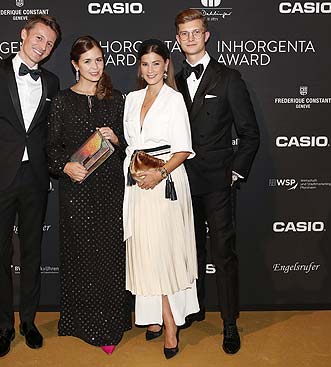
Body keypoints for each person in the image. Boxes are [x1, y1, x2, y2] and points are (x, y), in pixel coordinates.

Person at [0, 15, 61, 358]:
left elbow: (52, 135)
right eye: (38, 38)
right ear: (24, 35)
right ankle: (5, 326)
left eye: (49, 43)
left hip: (35, 180)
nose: (42, 47)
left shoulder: (51, 81)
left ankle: (29, 322)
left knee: (33, 254)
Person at [174, 9, 260, 354]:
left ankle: (229, 323)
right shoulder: (172, 81)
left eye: (196, 32)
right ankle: (195, 308)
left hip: (218, 182)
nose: (191, 38)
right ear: (177, 39)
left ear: (206, 35)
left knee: (223, 254)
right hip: (181, 180)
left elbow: (250, 133)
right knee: (188, 252)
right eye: (184, 33)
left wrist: (234, 173)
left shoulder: (228, 79)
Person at [47, 35, 131, 355]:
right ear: (75, 65)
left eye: (99, 59)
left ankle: (110, 325)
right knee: (81, 259)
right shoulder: (61, 101)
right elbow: (51, 150)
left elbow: (132, 145)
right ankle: (80, 323)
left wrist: (118, 139)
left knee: (110, 259)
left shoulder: (117, 99)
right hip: (77, 192)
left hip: (111, 190)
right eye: (87, 61)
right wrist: (66, 167)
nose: (95, 67)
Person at [123, 39, 199, 359]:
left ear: (167, 64)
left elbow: (183, 148)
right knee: (146, 254)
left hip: (166, 182)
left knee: (164, 256)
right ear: (139, 68)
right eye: (145, 64)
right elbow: (128, 143)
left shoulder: (175, 99)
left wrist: (159, 174)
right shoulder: (132, 99)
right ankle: (153, 317)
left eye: (156, 63)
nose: (150, 70)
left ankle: (170, 325)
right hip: (138, 186)